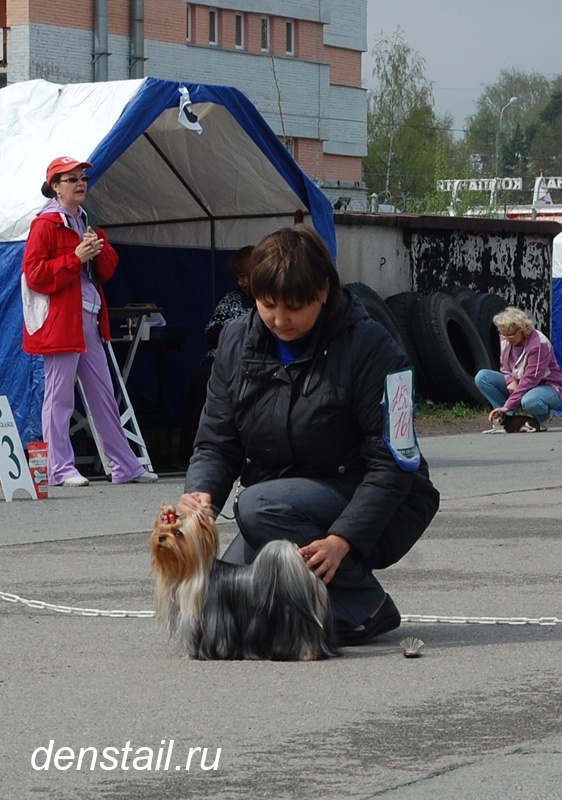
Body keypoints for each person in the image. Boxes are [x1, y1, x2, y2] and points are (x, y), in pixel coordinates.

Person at [177, 225, 439, 646]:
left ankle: (365, 604)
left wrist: (342, 540)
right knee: (226, 613)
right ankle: (319, 604)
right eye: (267, 305)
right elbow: (215, 441)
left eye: (294, 307)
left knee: (258, 506)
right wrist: (201, 494)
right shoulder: (234, 342)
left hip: (378, 499)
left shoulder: (376, 347)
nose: (280, 320)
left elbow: (394, 460)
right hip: (282, 503)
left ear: (324, 290)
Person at [22, 156, 159, 487]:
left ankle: (124, 464)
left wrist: (97, 252)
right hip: (60, 321)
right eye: (71, 179)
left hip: (89, 317)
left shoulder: (86, 221)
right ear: (55, 187)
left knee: (104, 394)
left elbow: (107, 271)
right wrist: (75, 259)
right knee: (59, 396)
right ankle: (59, 467)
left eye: (81, 177)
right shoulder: (45, 224)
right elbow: (35, 274)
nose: (80, 183)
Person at [178, 245, 255, 464]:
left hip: (256, 359)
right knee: (202, 378)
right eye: (237, 278)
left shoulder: (272, 299)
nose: (240, 283)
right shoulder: (232, 299)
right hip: (224, 357)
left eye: (244, 277)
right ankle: (191, 453)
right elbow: (212, 331)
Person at [475, 306, 562, 430]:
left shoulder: (539, 345)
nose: (507, 338)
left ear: (522, 330)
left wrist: (508, 405)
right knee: (483, 377)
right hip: (520, 382)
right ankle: (507, 419)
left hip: (546, 386)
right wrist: (511, 380)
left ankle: (543, 417)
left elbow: (530, 380)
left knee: (530, 401)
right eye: (503, 334)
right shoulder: (505, 337)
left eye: (510, 335)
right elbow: (504, 366)